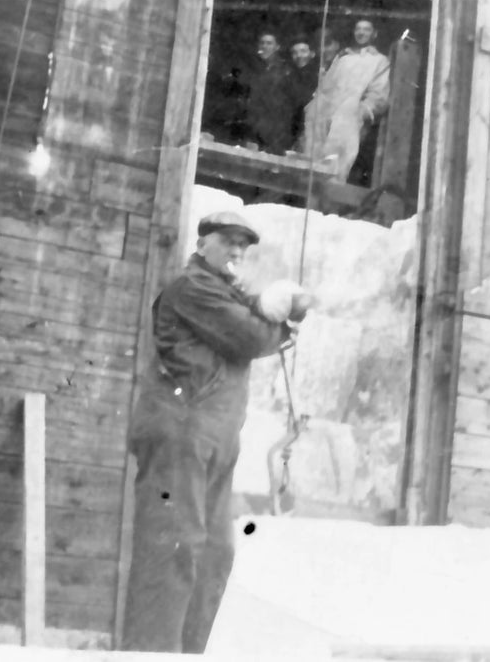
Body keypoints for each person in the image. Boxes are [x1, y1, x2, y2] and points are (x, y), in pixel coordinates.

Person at [121, 211, 314, 653]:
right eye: (228, 242)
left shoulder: (226, 292)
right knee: (173, 549)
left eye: (243, 247)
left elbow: (251, 317)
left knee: (214, 554)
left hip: (215, 440)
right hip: (180, 434)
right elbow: (247, 337)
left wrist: (273, 308)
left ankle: (189, 653)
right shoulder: (191, 288)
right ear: (203, 243)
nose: (237, 252)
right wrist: (282, 320)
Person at [301, 18, 390, 181]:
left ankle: (334, 178)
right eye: (358, 29)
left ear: (374, 34)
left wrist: (363, 109)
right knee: (314, 110)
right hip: (331, 109)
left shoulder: (379, 60)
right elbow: (326, 89)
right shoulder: (343, 58)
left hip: (354, 114)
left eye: (366, 30)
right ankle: (311, 174)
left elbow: (379, 94)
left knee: (344, 118)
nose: (361, 33)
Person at [245, 32, 297, 155]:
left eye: (269, 43)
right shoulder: (253, 67)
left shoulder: (285, 70)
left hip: (275, 125)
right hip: (254, 122)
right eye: (262, 43)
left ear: (277, 47)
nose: (265, 46)